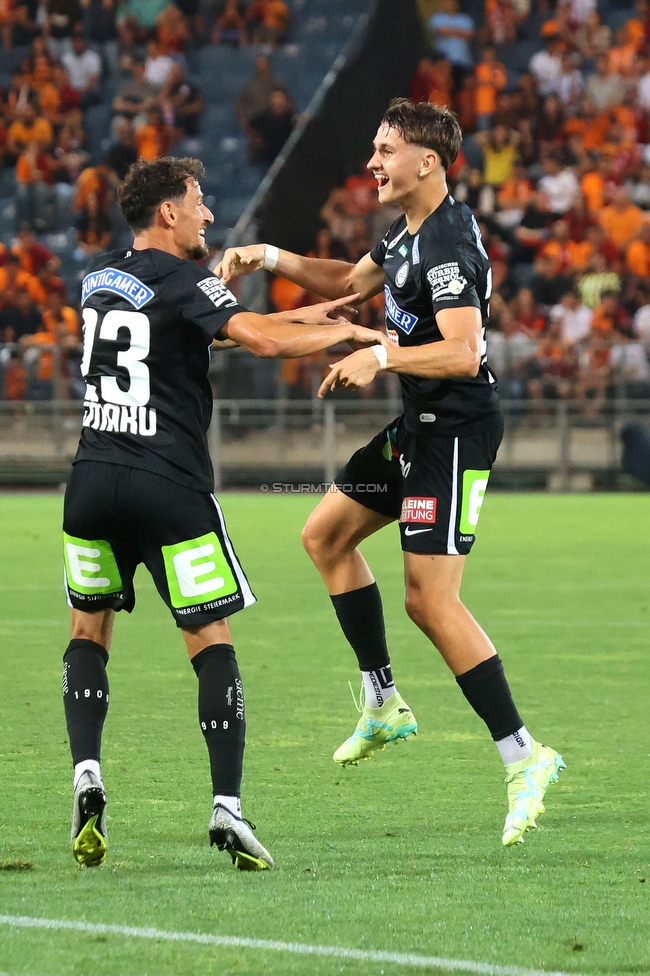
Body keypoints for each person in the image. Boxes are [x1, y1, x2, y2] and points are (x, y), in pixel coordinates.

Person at [216, 99, 566, 848]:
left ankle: (525, 755)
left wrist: (380, 356)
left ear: (427, 162)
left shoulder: (444, 245)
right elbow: (347, 278)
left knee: (430, 603)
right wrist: (270, 257)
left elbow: (465, 354)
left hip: (457, 435)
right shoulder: (409, 234)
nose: (373, 163)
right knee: (326, 537)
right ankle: (383, 703)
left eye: (385, 150)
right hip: (419, 427)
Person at [62, 155, 381, 871]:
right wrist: (346, 335)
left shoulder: (97, 279)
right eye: (199, 202)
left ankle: (87, 774)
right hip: (166, 484)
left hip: (90, 480)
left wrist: (307, 314)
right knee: (211, 638)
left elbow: (203, 326)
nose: (209, 214)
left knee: (89, 630)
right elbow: (258, 338)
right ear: (168, 213)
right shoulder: (187, 280)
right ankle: (227, 809)